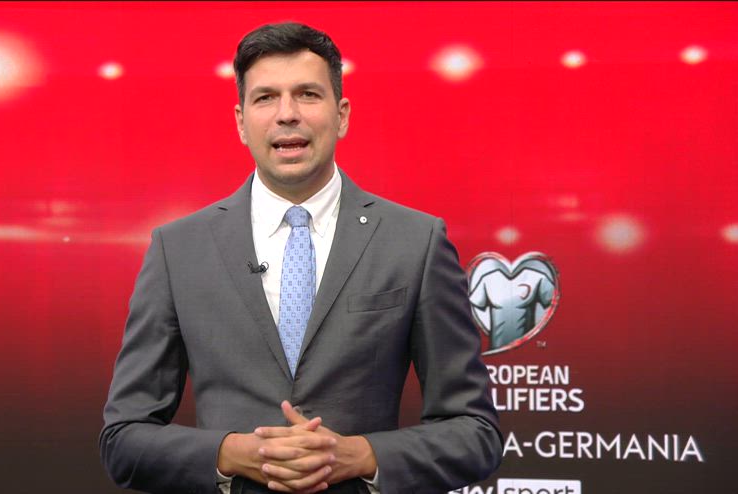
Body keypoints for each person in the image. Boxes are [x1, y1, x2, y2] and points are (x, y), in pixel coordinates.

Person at [100, 22, 502, 494]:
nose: (287, 114)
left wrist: (362, 456)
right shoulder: (179, 249)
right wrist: (232, 454)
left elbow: (475, 433)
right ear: (241, 122)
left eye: (308, 94)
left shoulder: (415, 241)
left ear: (342, 115)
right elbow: (123, 438)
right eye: (266, 97)